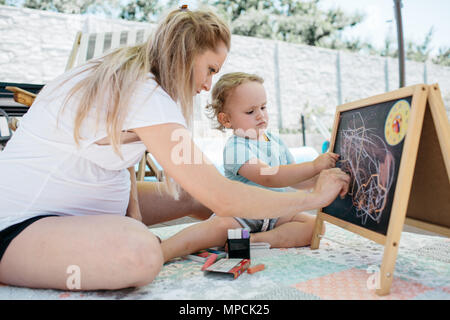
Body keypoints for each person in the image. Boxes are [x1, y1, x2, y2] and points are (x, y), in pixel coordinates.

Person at [0, 7, 349, 291]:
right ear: (184, 54)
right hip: (17, 229)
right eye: (210, 69)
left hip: (71, 207)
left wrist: (133, 216)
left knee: (193, 198)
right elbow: (224, 196)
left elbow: (123, 165)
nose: (207, 85)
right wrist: (312, 200)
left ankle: (241, 238)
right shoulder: (145, 92)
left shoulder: (129, 76)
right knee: (141, 252)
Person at [161, 72, 340, 262]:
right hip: (242, 215)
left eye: (263, 107)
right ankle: (164, 250)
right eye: (250, 111)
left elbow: (296, 179)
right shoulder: (235, 147)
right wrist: (313, 165)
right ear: (226, 120)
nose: (261, 115)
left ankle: (257, 240)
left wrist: (322, 179)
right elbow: (269, 177)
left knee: (316, 226)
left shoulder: (275, 141)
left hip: (275, 216)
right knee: (216, 229)